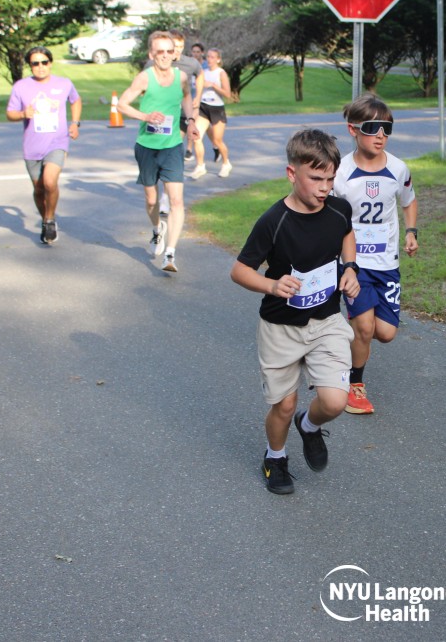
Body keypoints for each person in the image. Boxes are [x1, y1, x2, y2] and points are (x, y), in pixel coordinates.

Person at [230, 128, 361, 495]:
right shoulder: (274, 221)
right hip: (281, 327)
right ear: (292, 173)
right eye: (316, 179)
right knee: (284, 405)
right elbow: (239, 270)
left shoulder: (338, 209)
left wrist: (351, 268)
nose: (324, 188)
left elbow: (347, 233)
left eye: (330, 179)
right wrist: (272, 285)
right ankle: (275, 458)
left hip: (327, 321)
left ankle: (310, 426)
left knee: (335, 401)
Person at [333, 94, 417, 415]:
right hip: (353, 264)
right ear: (353, 130)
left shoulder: (398, 168)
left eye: (387, 128)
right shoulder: (340, 172)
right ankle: (355, 385)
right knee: (366, 328)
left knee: (385, 333)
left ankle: (351, 330)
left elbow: (409, 200)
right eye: (372, 128)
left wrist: (411, 232)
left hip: (387, 263)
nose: (380, 135)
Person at [117, 30, 201, 273]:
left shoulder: (181, 77)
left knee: (176, 200)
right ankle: (157, 229)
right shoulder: (144, 78)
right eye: (160, 51)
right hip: (147, 146)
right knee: (152, 200)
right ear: (151, 54)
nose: (165, 55)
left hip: (172, 146)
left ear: (175, 54)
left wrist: (191, 121)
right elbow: (122, 104)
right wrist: (145, 116)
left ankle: (170, 254)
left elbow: (187, 97)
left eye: (169, 51)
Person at [6, 47, 82, 245]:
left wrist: (75, 123)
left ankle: (49, 220)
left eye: (44, 62)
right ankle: (46, 220)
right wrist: (23, 114)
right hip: (32, 146)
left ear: (50, 63)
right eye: (35, 63)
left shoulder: (63, 83)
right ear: (30, 66)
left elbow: (75, 100)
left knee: (49, 182)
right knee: (39, 190)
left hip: (57, 142)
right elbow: (10, 113)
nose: (40, 67)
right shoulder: (21, 87)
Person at [192, 48, 234, 178]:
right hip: (204, 107)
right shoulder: (203, 72)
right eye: (208, 57)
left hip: (217, 109)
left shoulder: (221, 73)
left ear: (218, 59)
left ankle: (226, 163)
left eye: (212, 57)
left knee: (217, 140)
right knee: (196, 137)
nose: (209, 59)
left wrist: (213, 86)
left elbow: (228, 94)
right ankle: (200, 166)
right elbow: (197, 88)